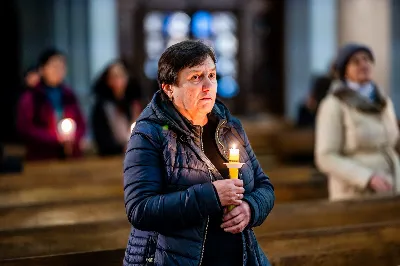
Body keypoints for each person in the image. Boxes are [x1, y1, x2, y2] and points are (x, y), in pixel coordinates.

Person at [123, 40, 275, 265]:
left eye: (212, 75)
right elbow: (140, 209)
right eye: (195, 77)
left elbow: (264, 186)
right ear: (169, 88)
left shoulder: (229, 127)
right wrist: (211, 196)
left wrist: (250, 209)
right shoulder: (149, 134)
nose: (208, 86)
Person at [315, 43, 400, 201]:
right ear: (344, 71)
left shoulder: (383, 101)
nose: (364, 64)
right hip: (354, 193)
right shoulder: (334, 104)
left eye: (367, 59)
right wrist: (367, 177)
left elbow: (393, 142)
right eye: (356, 61)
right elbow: (325, 157)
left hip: (392, 186)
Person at [17, 48, 86, 161]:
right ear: (42, 70)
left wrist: (74, 138)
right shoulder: (31, 97)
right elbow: (26, 128)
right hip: (42, 157)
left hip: (71, 156)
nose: (58, 71)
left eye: (61, 67)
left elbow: (81, 123)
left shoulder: (69, 95)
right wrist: (55, 138)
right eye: (54, 66)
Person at [91, 59, 142, 156]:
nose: (118, 80)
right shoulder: (102, 108)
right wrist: (122, 148)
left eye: (122, 75)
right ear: (107, 80)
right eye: (114, 76)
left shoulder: (134, 105)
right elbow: (102, 139)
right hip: (112, 158)